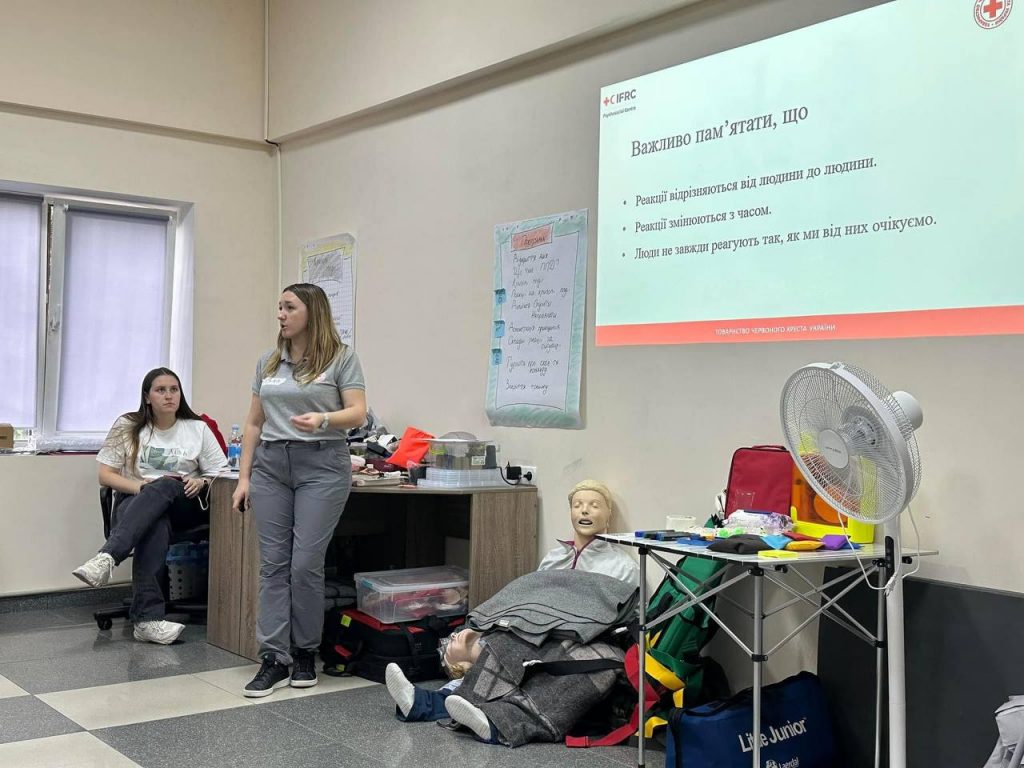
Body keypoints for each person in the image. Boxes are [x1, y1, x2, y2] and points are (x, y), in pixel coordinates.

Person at [385, 479, 639, 723]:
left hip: (575, 635)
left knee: (509, 650)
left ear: (608, 514)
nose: (585, 510)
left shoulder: (621, 565)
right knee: (489, 638)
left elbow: (622, 617)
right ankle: (433, 701)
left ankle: (432, 704)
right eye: (578, 505)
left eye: (594, 505)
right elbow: (531, 600)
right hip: (535, 627)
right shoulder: (554, 558)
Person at [232, 283, 366, 698]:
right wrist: (243, 477)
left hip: (322, 464)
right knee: (273, 564)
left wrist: (324, 420)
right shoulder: (269, 361)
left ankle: (306, 651)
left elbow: (358, 411)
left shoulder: (341, 358)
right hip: (272, 464)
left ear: (312, 312)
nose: (281, 314)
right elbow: (253, 423)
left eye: (289, 307)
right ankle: (274, 657)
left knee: (305, 563)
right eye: (279, 307)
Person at [72, 368, 228, 645]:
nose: (169, 396)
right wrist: (142, 487)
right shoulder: (128, 425)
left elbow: (220, 473)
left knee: (167, 484)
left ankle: (107, 557)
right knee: (155, 521)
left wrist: (202, 482)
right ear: (147, 397)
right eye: (161, 390)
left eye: (174, 389)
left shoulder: (197, 428)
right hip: (136, 501)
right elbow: (106, 475)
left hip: (184, 505)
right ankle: (147, 621)